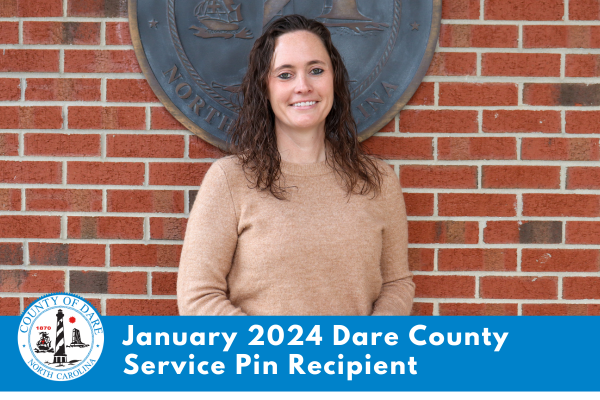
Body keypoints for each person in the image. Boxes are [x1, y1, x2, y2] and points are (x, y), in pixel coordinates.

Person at [177, 15, 414, 316]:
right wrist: (275, 355)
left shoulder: (378, 180)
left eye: (316, 70)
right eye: (285, 75)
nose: (303, 86)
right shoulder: (230, 180)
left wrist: (363, 347)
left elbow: (397, 284)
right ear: (265, 87)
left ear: (334, 79)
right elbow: (197, 297)